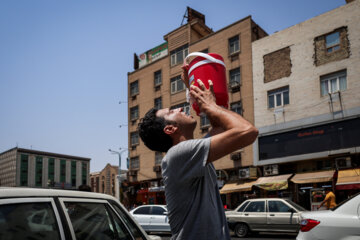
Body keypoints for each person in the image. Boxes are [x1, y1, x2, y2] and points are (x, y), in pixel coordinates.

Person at [138, 65, 258, 240]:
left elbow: (219, 127)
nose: (180, 109)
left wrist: (193, 89)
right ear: (170, 129)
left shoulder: (191, 153)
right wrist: (210, 105)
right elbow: (248, 131)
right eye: (172, 111)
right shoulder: (178, 154)